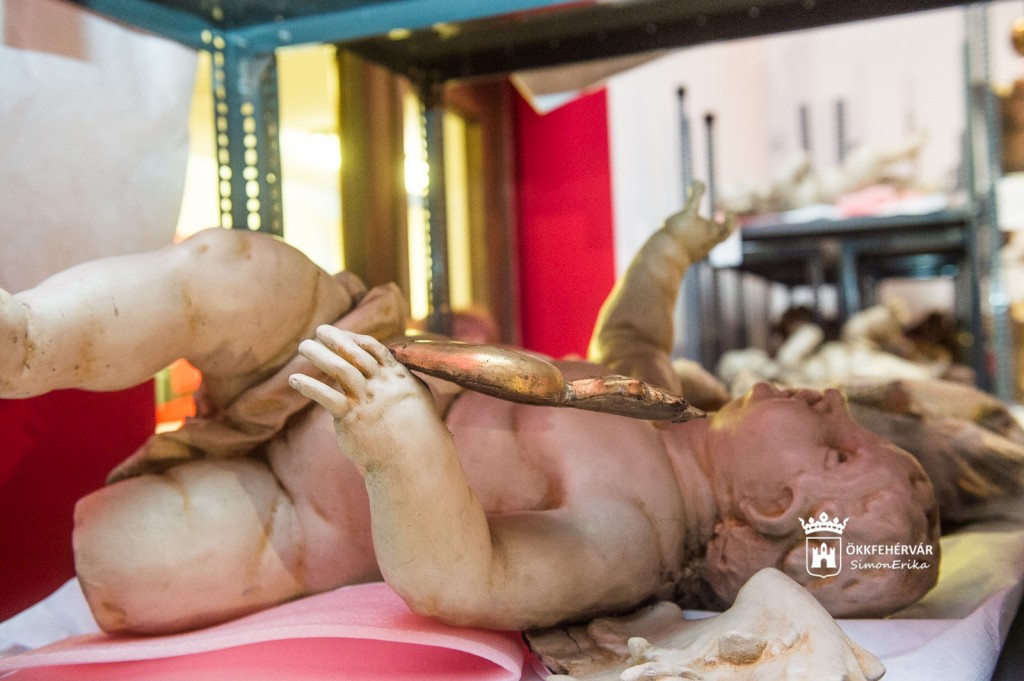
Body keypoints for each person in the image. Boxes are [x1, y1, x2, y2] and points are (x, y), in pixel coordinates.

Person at [0, 185, 939, 636]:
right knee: (235, 272)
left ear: (775, 506)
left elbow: (467, 578)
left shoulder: (633, 537)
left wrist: (397, 441)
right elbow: (636, 321)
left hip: (306, 517)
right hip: (335, 345)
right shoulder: (661, 403)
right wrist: (672, 246)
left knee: (125, 560)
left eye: (836, 442)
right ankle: (26, 337)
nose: (827, 396)